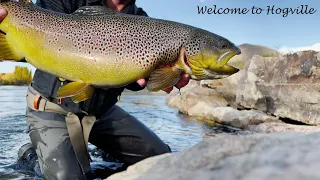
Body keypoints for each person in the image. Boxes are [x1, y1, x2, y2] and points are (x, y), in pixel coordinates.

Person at [0, 0, 190, 179]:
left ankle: (102, 152)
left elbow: (133, 81)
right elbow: (35, 22)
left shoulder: (142, 20)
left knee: (161, 158)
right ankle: (31, 157)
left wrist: (156, 76)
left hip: (102, 113)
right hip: (51, 107)